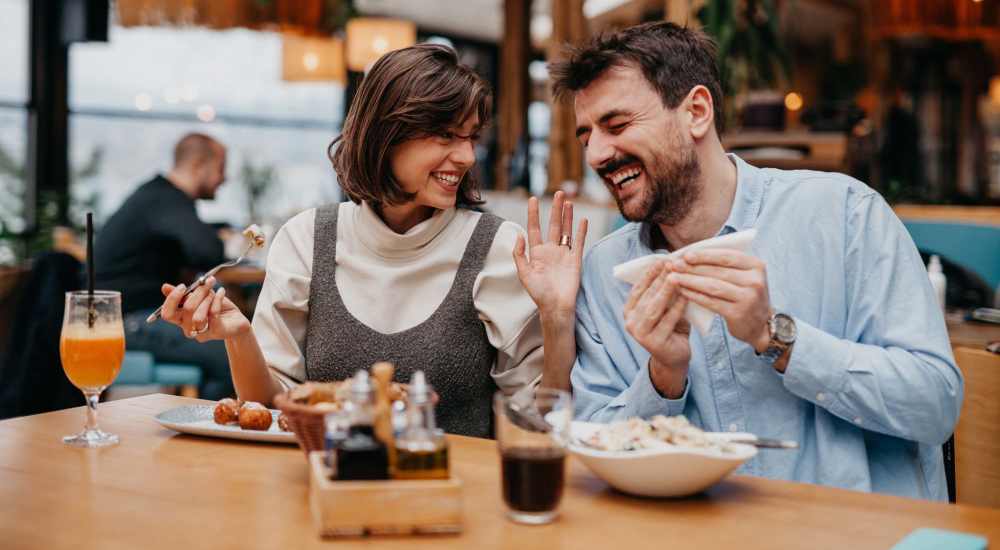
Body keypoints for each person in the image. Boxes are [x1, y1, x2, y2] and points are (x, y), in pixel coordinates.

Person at [524, 22, 962, 500]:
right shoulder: (604, 273)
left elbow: (936, 404)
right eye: (586, 136)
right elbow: (590, 439)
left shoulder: (845, 215)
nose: (597, 154)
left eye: (617, 125)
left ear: (696, 112)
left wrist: (776, 337)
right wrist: (662, 378)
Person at [154, 44, 582, 438]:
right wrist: (239, 336)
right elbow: (269, 409)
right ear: (386, 136)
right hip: (323, 488)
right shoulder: (308, 239)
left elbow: (540, 417)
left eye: (471, 136)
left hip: (454, 495)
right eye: (446, 136)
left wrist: (558, 319)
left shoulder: (498, 247)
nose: (468, 156)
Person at [95, 133, 234, 400]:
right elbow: (208, 250)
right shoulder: (166, 199)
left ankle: (203, 422)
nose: (224, 178)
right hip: (129, 321)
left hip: (130, 315)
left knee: (229, 342)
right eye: (220, 168)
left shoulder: (156, 197)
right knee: (231, 353)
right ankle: (208, 431)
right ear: (198, 166)